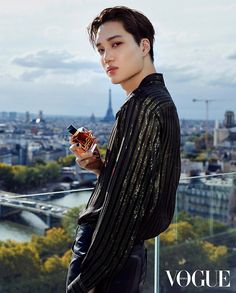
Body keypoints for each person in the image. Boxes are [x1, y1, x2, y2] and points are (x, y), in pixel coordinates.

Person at [66, 6, 181, 293]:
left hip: (102, 253)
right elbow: (137, 186)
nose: (107, 57)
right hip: (128, 254)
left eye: (116, 44)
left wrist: (86, 281)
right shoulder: (162, 102)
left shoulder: (139, 107)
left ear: (144, 46)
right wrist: (100, 167)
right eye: (101, 49)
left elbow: (123, 206)